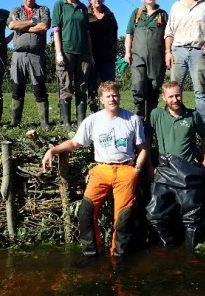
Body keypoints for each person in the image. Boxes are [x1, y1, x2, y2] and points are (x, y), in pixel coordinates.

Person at [42, 81, 147, 257]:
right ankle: (91, 252)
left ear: (119, 96)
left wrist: (136, 169)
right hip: (101, 170)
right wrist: (53, 150)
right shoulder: (92, 120)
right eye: (108, 96)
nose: (112, 99)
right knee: (85, 212)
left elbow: (143, 147)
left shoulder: (133, 119)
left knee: (123, 217)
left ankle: (118, 255)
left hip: (125, 170)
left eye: (115, 95)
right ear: (101, 99)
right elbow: (75, 143)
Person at [146, 81, 205, 252]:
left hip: (187, 171)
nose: (175, 99)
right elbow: (146, 141)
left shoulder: (192, 115)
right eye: (171, 96)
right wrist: (149, 166)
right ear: (163, 98)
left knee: (192, 218)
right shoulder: (156, 115)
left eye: (178, 95)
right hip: (164, 170)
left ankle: (190, 253)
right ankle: (171, 247)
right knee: (154, 214)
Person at [6, 0, 51, 129]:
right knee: (17, 87)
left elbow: (44, 27)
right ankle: (15, 121)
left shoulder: (43, 9)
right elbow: (12, 25)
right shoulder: (15, 10)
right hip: (18, 55)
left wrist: (23, 27)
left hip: (37, 55)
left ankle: (44, 122)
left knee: (39, 88)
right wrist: (32, 23)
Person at [52, 0, 93, 128]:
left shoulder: (83, 7)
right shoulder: (59, 5)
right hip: (66, 51)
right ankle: (67, 123)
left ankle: (81, 122)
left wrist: (90, 54)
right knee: (66, 86)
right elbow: (56, 29)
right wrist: (58, 53)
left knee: (82, 87)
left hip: (83, 53)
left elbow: (87, 33)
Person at [124, 0, 168, 122]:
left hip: (157, 60)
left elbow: (168, 36)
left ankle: (151, 124)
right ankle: (138, 122)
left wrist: (168, 53)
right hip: (138, 58)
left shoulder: (163, 15)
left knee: (154, 91)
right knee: (138, 89)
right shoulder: (136, 13)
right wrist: (127, 53)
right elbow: (129, 34)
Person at [87, 0, 118, 113]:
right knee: (92, 87)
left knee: (109, 87)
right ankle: (95, 112)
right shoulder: (85, 15)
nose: (97, 0)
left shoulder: (110, 15)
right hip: (91, 57)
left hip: (107, 58)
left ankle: (109, 112)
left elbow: (114, 35)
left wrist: (113, 52)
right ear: (90, 0)